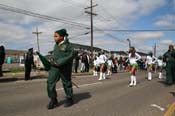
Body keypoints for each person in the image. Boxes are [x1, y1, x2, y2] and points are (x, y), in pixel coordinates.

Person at [45, 29, 76, 109]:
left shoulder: (69, 45)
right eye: (54, 36)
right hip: (54, 68)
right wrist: (50, 60)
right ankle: (53, 99)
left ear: (62, 37)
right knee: (50, 83)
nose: (54, 38)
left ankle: (69, 98)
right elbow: (54, 55)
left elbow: (71, 55)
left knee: (66, 83)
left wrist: (60, 62)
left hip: (64, 68)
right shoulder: (56, 45)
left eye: (56, 36)